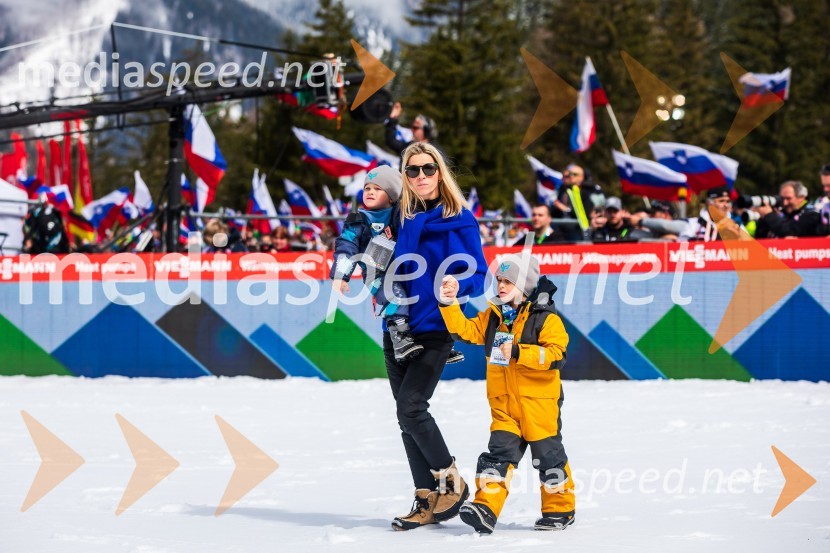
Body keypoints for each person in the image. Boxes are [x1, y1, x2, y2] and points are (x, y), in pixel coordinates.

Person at [387, 142, 487, 531]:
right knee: (404, 417)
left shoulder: (460, 218)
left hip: (435, 327)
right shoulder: (401, 217)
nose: (422, 177)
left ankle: (451, 483)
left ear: (440, 171)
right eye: (412, 171)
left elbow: (479, 274)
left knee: (412, 406)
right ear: (405, 176)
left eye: (428, 169)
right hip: (397, 329)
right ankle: (425, 498)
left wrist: (454, 282)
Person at [439, 252, 575, 534]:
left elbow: (556, 354)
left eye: (508, 281)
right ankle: (485, 508)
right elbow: (466, 330)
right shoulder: (494, 316)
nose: (500, 286)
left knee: (549, 460)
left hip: (539, 406)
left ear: (524, 285)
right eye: (499, 280)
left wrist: (519, 352)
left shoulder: (546, 319)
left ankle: (560, 509)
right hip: (504, 407)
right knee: (497, 458)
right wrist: (449, 302)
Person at [330, 166, 466, 363]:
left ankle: (436, 344)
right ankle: (400, 338)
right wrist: (340, 276)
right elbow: (346, 246)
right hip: (376, 273)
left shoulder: (402, 214)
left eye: (378, 189)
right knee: (394, 295)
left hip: (405, 268)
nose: (370, 192)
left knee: (426, 296)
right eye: (367, 188)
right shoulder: (357, 220)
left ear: (392, 196)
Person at [550, 163, 604, 241]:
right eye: (568, 175)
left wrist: (566, 209)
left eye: (574, 174)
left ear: (582, 176)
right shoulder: (562, 190)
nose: (571, 177)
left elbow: (585, 212)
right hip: (562, 231)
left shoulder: (590, 190)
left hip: (581, 230)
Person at [754, 180, 824, 238]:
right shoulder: (780, 213)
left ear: (801, 198)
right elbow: (760, 237)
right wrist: (764, 219)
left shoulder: (812, 213)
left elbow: (790, 231)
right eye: (782, 198)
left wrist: (769, 215)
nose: (785, 203)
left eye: (788, 198)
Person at [679, 186, 745, 241]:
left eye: (728, 201)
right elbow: (681, 250)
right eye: (721, 201)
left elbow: (751, 251)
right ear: (709, 204)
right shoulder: (694, 224)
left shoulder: (736, 226)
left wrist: (738, 238)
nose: (726, 205)